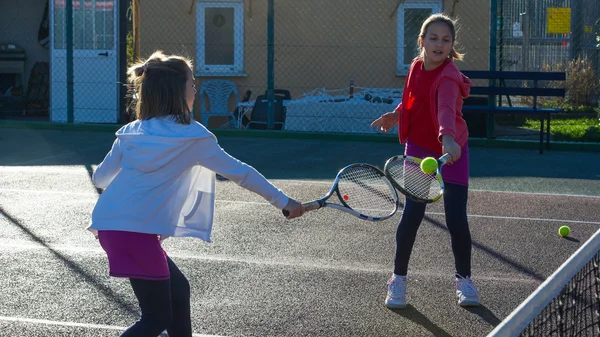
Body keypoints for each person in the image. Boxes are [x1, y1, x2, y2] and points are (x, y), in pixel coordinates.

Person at [88, 50, 306, 337]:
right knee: (155, 318)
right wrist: (284, 201)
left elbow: (100, 177)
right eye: (192, 83)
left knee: (178, 291)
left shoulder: (130, 132)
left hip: (110, 226)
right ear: (178, 91)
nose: (195, 89)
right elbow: (240, 172)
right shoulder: (193, 136)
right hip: (134, 233)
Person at [371, 14, 479, 308]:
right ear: (422, 41)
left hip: (453, 149)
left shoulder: (449, 76)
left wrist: (447, 139)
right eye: (433, 38)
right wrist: (396, 114)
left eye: (446, 40)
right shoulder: (416, 67)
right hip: (419, 149)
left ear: (452, 45)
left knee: (456, 218)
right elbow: (412, 98)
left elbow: (445, 107)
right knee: (412, 216)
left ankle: (464, 281)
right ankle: (398, 281)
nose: (439, 44)